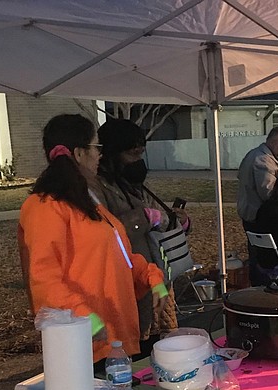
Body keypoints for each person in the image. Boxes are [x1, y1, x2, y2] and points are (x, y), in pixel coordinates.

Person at [18, 114, 167, 366]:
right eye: (96, 147)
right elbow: (43, 277)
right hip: (83, 344)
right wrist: (84, 318)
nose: (100, 155)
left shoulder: (89, 200)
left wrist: (150, 277)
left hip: (116, 337)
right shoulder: (45, 206)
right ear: (78, 153)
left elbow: (118, 254)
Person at [92, 118, 187, 343]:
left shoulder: (129, 183)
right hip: (125, 283)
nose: (138, 161)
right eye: (132, 155)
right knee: (130, 345)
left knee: (154, 344)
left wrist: (176, 222)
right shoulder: (97, 187)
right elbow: (103, 233)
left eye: (141, 154)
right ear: (111, 153)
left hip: (152, 278)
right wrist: (143, 218)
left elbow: (156, 217)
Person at [236, 127, 278, 283]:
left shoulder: (254, 154)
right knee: (262, 258)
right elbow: (269, 194)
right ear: (272, 141)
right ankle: (262, 288)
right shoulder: (263, 161)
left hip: (249, 212)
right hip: (258, 215)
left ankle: (258, 285)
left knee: (255, 253)